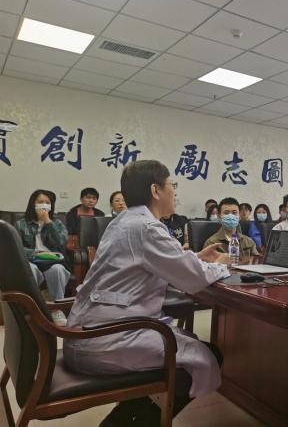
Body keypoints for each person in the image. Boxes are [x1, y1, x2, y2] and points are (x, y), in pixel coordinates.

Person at [64, 160, 230, 427]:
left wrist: (197, 257)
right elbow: (194, 279)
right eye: (171, 185)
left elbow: (157, 263)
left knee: (192, 344)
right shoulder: (146, 227)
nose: (174, 192)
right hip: (106, 338)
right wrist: (220, 265)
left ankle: (117, 423)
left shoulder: (125, 221)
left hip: (92, 331)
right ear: (155, 190)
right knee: (202, 359)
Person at [16, 189, 70, 326]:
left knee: (58, 270)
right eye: (40, 202)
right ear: (33, 204)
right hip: (31, 260)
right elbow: (17, 247)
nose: (44, 205)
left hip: (52, 262)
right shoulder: (21, 223)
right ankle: (31, 310)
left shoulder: (57, 223)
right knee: (30, 269)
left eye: (47, 202)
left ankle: (57, 309)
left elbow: (61, 243)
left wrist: (48, 222)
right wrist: (35, 253)